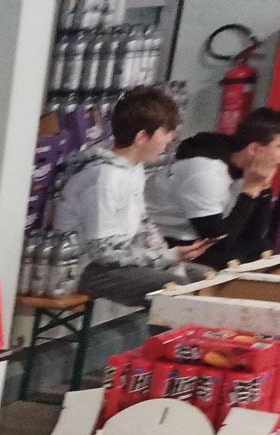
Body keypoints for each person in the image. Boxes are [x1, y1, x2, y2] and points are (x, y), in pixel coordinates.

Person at [54, 86, 211, 308]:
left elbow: (143, 225)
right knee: (174, 288)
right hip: (83, 267)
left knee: (205, 278)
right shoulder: (103, 178)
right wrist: (167, 258)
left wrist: (168, 257)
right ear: (141, 137)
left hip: (115, 260)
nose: (170, 138)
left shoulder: (133, 167)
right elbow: (103, 253)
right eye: (166, 131)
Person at [145, 109, 280, 268]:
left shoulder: (246, 168)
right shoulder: (205, 172)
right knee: (229, 261)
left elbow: (254, 234)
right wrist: (251, 190)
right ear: (255, 149)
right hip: (166, 240)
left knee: (263, 248)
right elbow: (217, 242)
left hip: (201, 238)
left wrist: (263, 187)